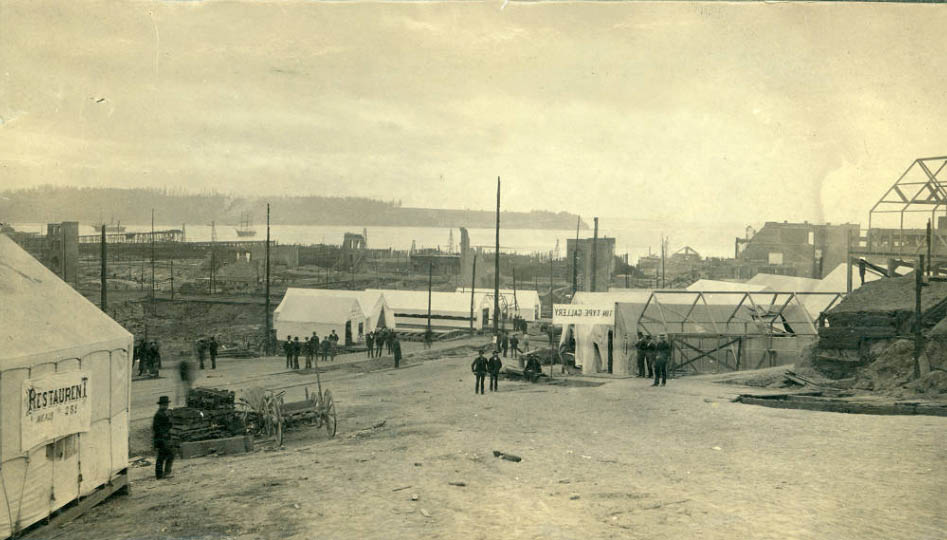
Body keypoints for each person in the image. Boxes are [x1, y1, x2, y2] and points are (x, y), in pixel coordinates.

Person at [153, 395, 174, 479]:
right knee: (169, 455)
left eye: (166, 404)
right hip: (162, 439)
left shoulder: (162, 413)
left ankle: (160, 475)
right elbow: (157, 428)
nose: (166, 406)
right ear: (161, 405)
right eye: (165, 404)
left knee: (162, 457)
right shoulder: (159, 415)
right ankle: (165, 473)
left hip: (162, 438)